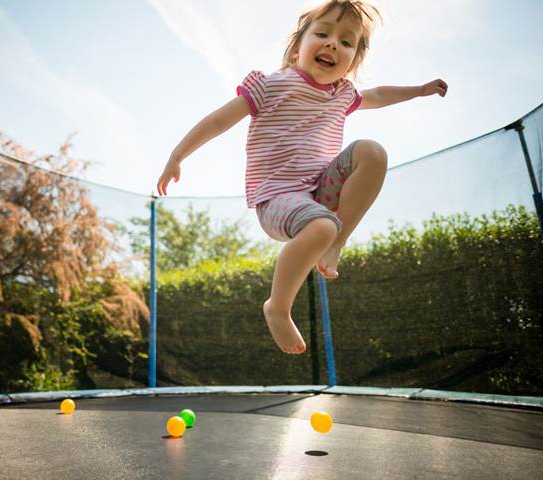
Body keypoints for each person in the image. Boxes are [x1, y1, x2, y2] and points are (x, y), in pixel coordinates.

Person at [157, 0, 448, 355]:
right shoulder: (270, 86)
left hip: (319, 191)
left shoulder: (343, 95)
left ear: (352, 62)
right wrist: (177, 155)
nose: (332, 44)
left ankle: (335, 245)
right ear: (297, 49)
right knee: (322, 226)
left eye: (345, 42)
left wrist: (419, 90)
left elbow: (379, 94)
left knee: (372, 152)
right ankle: (277, 307)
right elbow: (219, 120)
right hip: (277, 197)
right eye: (323, 34)